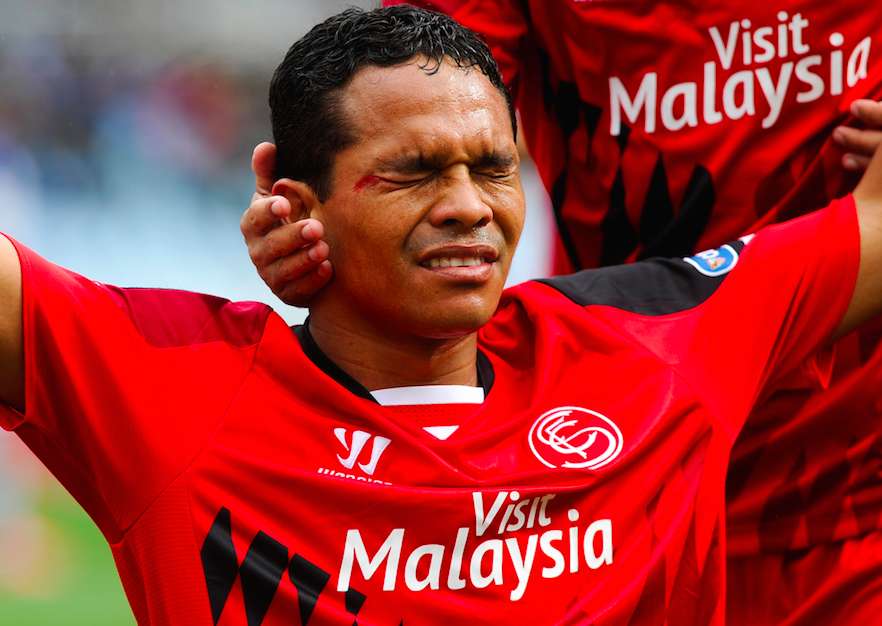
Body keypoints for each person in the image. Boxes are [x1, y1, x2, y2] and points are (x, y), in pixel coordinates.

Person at [4, 5, 882, 624]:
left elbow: (868, 229)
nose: (468, 206)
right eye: (415, 171)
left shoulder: (656, 345)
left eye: (494, 168)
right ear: (293, 199)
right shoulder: (177, 392)